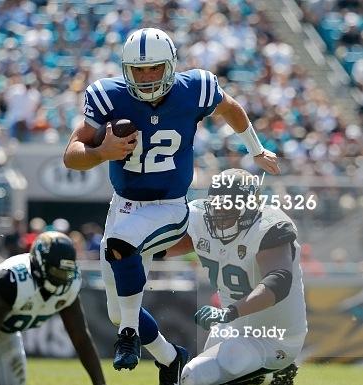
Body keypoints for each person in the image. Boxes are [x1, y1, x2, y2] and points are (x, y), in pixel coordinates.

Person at [63, 27, 280, 382]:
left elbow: (231, 108)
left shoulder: (194, 88)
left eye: (154, 69)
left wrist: (255, 148)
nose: (147, 78)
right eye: (139, 70)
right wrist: (101, 152)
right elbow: (71, 156)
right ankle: (170, 357)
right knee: (117, 310)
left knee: (121, 249)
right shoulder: (107, 96)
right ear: (125, 69)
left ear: (171, 66)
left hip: (168, 206)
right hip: (124, 205)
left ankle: (129, 337)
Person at [167, 168, 307, 385]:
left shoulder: (268, 226)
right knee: (207, 375)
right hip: (232, 328)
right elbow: (160, 247)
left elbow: (279, 280)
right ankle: (266, 376)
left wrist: (230, 312)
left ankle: (272, 371)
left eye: (229, 206)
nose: (221, 213)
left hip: (275, 336)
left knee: (193, 376)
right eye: (217, 205)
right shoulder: (199, 217)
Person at [0, 231, 106, 385]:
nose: (62, 279)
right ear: (39, 264)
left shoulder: (70, 285)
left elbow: (80, 338)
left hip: (4, 331)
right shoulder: (12, 281)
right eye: (57, 272)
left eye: (66, 273)